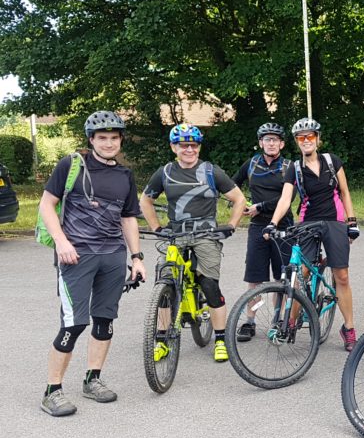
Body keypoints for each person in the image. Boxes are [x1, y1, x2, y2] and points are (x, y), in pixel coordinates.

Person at [37, 111, 146, 417]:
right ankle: (52, 391)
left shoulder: (125, 175)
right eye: (102, 138)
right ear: (91, 140)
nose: (109, 143)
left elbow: (128, 217)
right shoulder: (72, 165)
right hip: (76, 256)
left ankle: (92, 379)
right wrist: (62, 242)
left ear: (120, 140)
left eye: (114, 138)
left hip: (113, 256)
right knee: (74, 323)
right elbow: (47, 205)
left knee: (104, 321)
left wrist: (136, 257)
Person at [139, 123, 245, 363]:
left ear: (198, 147)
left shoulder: (210, 171)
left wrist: (231, 225)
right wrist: (157, 227)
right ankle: (162, 340)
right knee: (165, 283)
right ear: (173, 147)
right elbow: (145, 200)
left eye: (193, 145)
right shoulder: (165, 172)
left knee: (208, 285)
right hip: (175, 235)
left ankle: (220, 339)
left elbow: (238, 199)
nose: (189, 149)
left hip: (206, 235)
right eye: (183, 145)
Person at [266, 118, 359, 350]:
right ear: (297, 142)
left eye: (310, 136)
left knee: (342, 276)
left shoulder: (331, 161)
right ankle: (289, 322)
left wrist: (352, 221)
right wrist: (272, 223)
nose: (306, 141)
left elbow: (345, 192)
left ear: (317, 139)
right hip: (308, 222)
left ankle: (348, 327)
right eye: (301, 138)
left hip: (334, 221)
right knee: (300, 275)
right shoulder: (294, 169)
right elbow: (286, 199)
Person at [230, 122, 292, 342]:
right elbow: (231, 185)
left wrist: (260, 207)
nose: (271, 143)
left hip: (282, 226)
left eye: (275, 139)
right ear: (260, 143)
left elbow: (288, 198)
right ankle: (250, 320)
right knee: (255, 278)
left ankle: (277, 320)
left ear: (282, 144)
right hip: (257, 227)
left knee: (282, 277)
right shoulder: (252, 163)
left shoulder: (288, 166)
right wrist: (238, 202)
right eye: (267, 139)